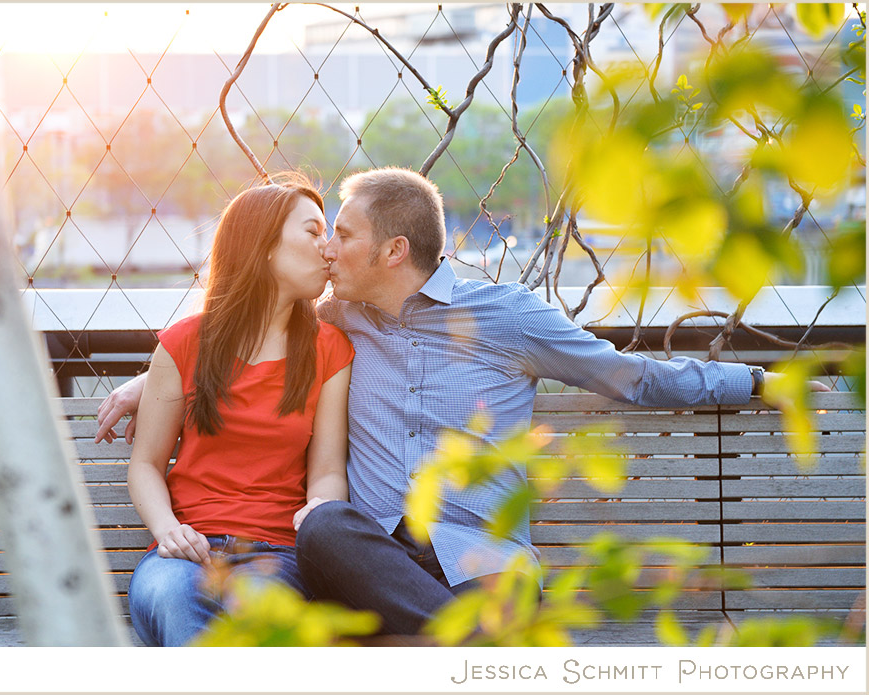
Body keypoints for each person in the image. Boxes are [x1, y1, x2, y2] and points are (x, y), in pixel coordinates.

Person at [97, 167, 828, 637]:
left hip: (481, 562)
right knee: (325, 524)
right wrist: (150, 384)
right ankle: (479, 653)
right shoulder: (339, 320)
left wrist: (759, 382)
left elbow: (627, 376)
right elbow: (234, 331)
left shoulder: (506, 316)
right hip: (376, 564)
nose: (329, 251)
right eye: (323, 235)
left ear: (392, 251)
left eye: (341, 235)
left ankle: (466, 644)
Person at [110, 176, 353, 647]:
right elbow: (146, 465)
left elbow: (326, 470)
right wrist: (169, 531)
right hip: (183, 552)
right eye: (313, 232)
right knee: (177, 601)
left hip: (279, 553)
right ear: (264, 246)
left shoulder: (329, 348)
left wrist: (320, 511)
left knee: (258, 615)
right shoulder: (183, 343)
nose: (327, 249)